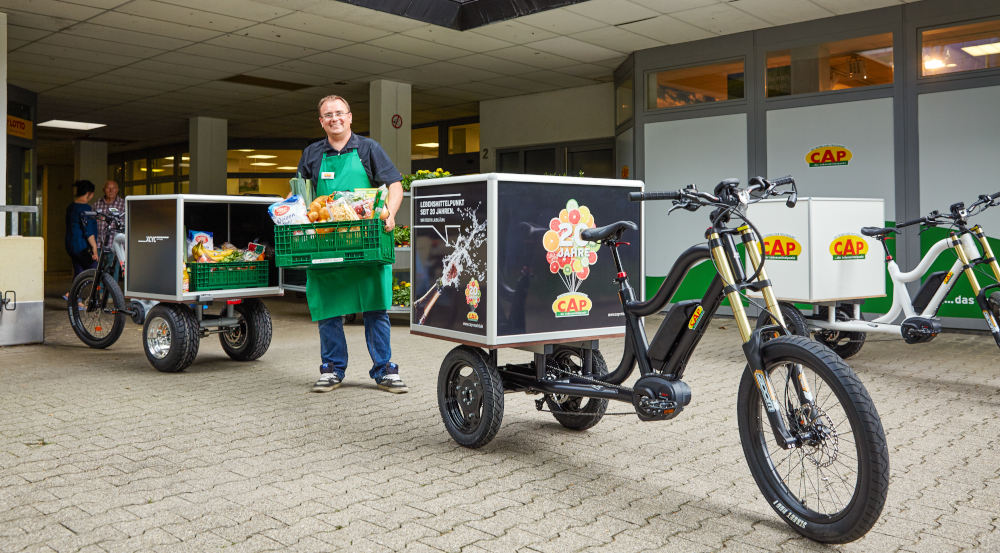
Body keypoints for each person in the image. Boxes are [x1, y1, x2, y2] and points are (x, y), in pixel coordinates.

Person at [296, 94, 407, 394]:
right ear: (321, 121)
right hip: (326, 243)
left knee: (375, 305)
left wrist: (391, 214)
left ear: (349, 117)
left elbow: (395, 185)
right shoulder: (311, 154)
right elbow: (302, 196)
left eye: (339, 113)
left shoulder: (369, 149)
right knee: (328, 305)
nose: (334, 118)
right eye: (328, 115)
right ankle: (332, 369)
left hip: (365, 242)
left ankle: (384, 369)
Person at [64, 180, 98, 300]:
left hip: (71, 245)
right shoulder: (86, 208)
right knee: (94, 268)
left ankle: (76, 300)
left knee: (79, 270)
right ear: (89, 193)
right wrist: (94, 248)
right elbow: (88, 230)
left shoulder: (71, 207)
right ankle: (73, 294)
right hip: (82, 246)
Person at [94, 179, 125, 249]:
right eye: (108, 188)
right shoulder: (97, 204)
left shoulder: (124, 204)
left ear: (117, 190)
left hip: (117, 247)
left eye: (114, 188)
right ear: (104, 190)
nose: (111, 190)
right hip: (99, 246)